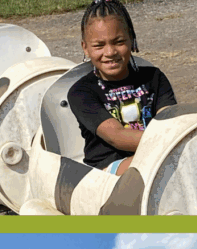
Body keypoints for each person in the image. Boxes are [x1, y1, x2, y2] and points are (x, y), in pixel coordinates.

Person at [68, 0, 177, 175]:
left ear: (132, 40)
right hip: (106, 172)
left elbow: (168, 120)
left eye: (118, 42)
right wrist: (169, 142)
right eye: (99, 45)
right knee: (154, 162)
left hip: (159, 155)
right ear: (85, 48)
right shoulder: (81, 92)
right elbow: (117, 137)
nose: (110, 52)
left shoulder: (154, 77)